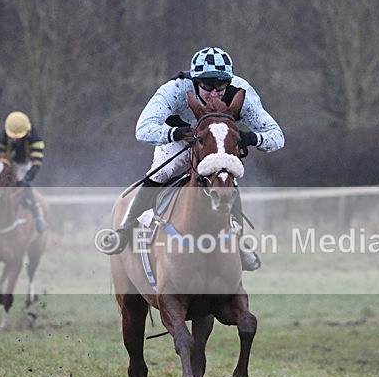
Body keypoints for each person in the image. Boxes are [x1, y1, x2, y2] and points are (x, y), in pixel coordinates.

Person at [102, 46, 285, 270]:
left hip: (216, 142)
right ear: (195, 80)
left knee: (227, 177)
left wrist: (249, 138)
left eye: (220, 86)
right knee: (160, 173)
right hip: (180, 138)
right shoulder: (175, 88)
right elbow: (143, 129)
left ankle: (238, 244)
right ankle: (125, 229)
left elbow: (277, 137)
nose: (215, 93)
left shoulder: (242, 91)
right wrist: (176, 133)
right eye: (207, 86)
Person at [0, 111, 47, 233]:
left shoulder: (35, 139)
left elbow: (36, 163)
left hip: (25, 163)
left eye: (18, 136)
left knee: (26, 187)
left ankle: (37, 216)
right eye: (12, 135)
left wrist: (26, 179)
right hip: (7, 162)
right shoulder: (1, 135)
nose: (15, 138)